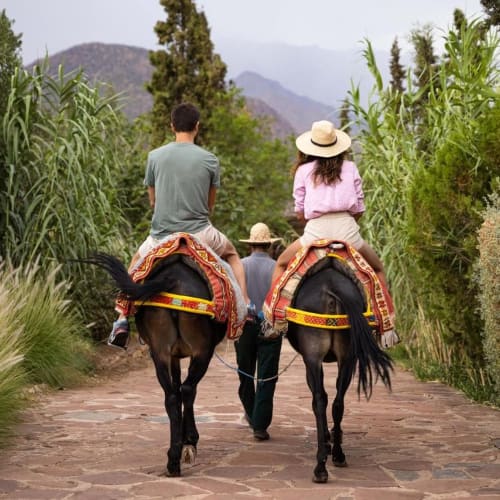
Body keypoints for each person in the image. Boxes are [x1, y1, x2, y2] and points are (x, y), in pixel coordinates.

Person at [108, 102, 250, 349]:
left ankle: (121, 319)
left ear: (172, 126)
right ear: (197, 126)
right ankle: (244, 306)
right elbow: (210, 205)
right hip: (200, 234)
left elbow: (153, 201)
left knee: (135, 264)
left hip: (161, 235)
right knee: (233, 255)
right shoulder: (210, 159)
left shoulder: (154, 156)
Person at [271, 119, 388, 288]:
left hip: (315, 233)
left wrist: (313, 223)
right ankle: (384, 313)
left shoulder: (303, 170)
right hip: (347, 231)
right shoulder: (351, 167)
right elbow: (359, 209)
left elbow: (299, 212)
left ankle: (272, 313)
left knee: (281, 264)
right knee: (377, 268)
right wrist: (345, 225)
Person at [235, 223, 283, 441]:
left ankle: (253, 415)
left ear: (251, 246)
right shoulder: (278, 268)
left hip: (245, 325)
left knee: (245, 372)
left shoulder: (240, 266)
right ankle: (260, 425)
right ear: (269, 246)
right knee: (267, 375)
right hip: (270, 327)